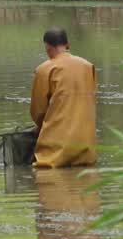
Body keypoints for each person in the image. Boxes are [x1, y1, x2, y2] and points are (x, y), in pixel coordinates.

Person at [30, 28, 98, 168]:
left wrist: (39, 127)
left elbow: (38, 111)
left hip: (55, 151)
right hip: (85, 148)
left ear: (47, 47)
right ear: (68, 45)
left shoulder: (44, 69)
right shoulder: (88, 66)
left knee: (45, 175)